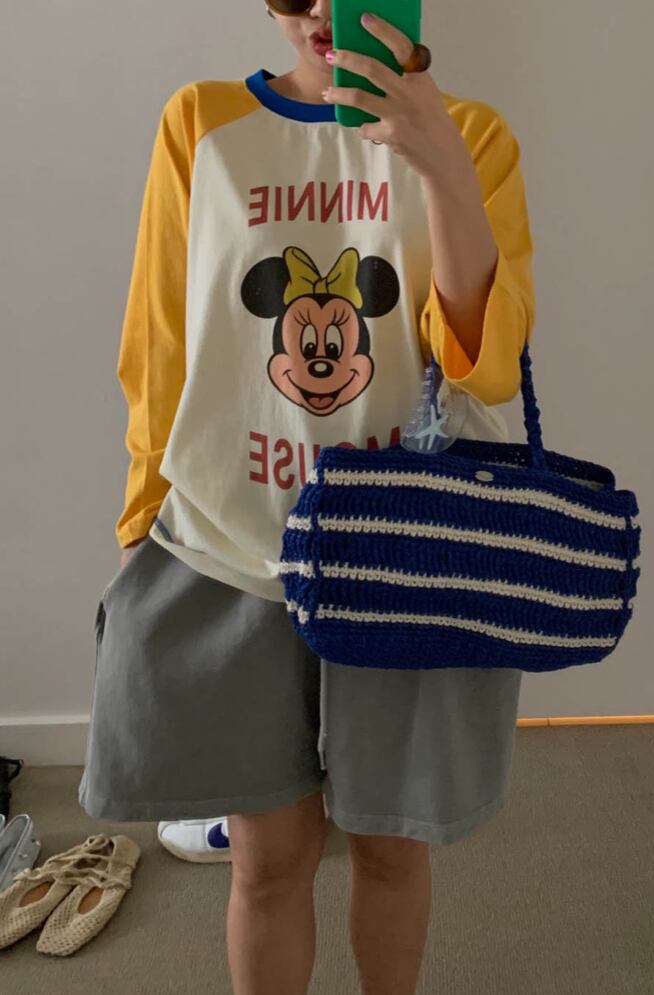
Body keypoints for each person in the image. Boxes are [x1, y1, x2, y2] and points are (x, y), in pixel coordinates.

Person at [78, 2, 535, 992]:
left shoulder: (475, 135)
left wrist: (438, 161)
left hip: (401, 554)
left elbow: (488, 364)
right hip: (231, 544)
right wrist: (138, 514)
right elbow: (159, 342)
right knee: (267, 858)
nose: (325, 7)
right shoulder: (200, 124)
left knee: (391, 848)